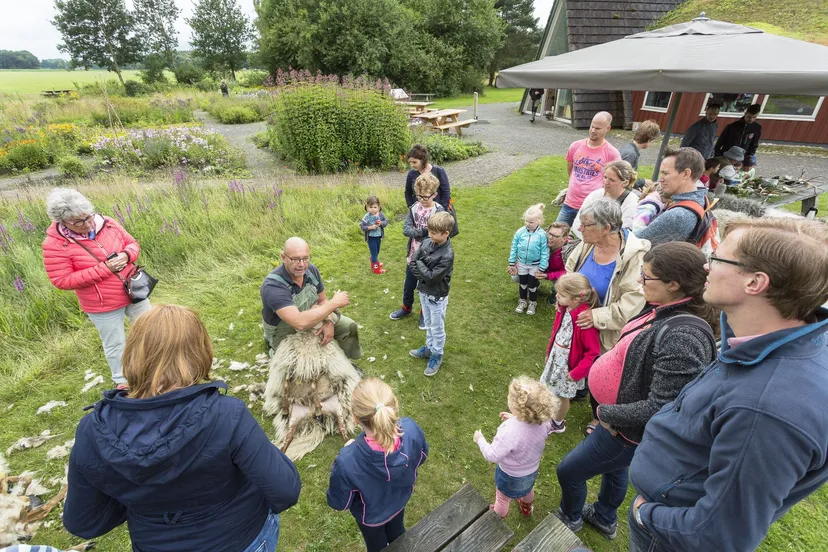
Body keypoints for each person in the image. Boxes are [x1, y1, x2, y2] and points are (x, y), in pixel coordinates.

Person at [628, 220, 828, 552]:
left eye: (718, 257)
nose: (706, 263)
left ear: (755, 282)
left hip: (667, 534)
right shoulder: (768, 340)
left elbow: (719, 536)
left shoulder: (766, 409)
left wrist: (646, 516)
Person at [63, 305, 301, 552]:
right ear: (200, 352)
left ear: (132, 352)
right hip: (238, 538)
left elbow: (83, 522)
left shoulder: (91, 429)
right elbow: (285, 489)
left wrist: (140, 504)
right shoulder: (226, 415)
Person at [555, 242, 718, 540]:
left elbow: (664, 405)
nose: (640, 283)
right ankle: (604, 517)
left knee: (569, 471)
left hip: (624, 430)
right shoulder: (665, 308)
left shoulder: (685, 337)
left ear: (674, 284)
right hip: (621, 425)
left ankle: (570, 517)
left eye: (646, 277)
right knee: (615, 470)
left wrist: (606, 413)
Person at [42, 188, 151, 389]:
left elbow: (133, 243)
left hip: (135, 290)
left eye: (88, 217)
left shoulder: (108, 223)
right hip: (102, 304)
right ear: (62, 221)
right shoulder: (54, 244)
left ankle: (156, 368)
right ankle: (123, 382)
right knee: (115, 344)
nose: (88, 223)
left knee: (151, 330)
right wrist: (105, 269)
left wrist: (127, 255)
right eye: (79, 222)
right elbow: (61, 280)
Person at [566, 199, 649, 434]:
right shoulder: (587, 243)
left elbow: (632, 303)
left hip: (608, 330)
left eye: (585, 225)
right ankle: (578, 389)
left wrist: (596, 316)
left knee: (603, 371)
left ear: (606, 228)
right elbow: (571, 270)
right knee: (577, 357)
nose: (579, 229)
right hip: (580, 320)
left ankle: (599, 414)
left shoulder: (634, 255)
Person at [327, 378, 428, 552]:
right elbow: (422, 456)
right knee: (398, 533)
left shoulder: (347, 461)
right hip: (399, 501)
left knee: (376, 547)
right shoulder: (411, 430)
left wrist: (347, 453)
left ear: (355, 418)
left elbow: (339, 503)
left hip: (371, 519)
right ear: (394, 405)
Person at [473, 376, 559, 519]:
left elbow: (492, 455)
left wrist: (480, 440)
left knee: (502, 499)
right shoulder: (544, 422)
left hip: (509, 476)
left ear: (518, 407)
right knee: (527, 490)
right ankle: (526, 507)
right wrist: (515, 418)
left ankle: (496, 518)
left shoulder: (509, 430)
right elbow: (526, 429)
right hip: (531, 471)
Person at [261, 237, 360, 359]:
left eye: (305, 258)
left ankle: (346, 360)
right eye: (295, 259)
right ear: (283, 257)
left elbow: (322, 300)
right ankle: (274, 350)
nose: (302, 265)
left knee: (348, 326)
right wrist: (334, 303)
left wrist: (329, 321)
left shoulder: (311, 270)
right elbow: (299, 323)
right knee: (298, 366)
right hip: (286, 330)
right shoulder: (273, 286)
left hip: (314, 315)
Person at [390, 173, 455, 326]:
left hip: (430, 260)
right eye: (419, 196)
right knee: (409, 285)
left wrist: (424, 234)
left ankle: (424, 314)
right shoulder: (414, 208)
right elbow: (406, 229)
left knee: (425, 287)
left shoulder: (439, 212)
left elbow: (440, 234)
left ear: (434, 194)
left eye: (425, 197)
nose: (422, 200)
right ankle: (406, 308)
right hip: (413, 254)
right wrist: (424, 232)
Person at [540, 273, 601, 433]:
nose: (557, 296)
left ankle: (557, 423)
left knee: (562, 396)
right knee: (550, 389)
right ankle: (547, 414)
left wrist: (576, 373)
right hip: (556, 358)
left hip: (569, 368)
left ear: (576, 299)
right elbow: (557, 330)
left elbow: (592, 352)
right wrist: (549, 351)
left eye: (562, 294)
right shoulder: (563, 308)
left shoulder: (583, 319)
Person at [408, 211, 455, 376]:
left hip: (436, 296)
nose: (429, 235)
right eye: (429, 231)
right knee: (428, 323)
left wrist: (420, 265)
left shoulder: (447, 255)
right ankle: (429, 348)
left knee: (437, 327)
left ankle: (437, 354)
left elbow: (432, 278)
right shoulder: (428, 241)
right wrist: (422, 268)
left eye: (434, 233)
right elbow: (413, 261)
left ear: (446, 234)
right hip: (423, 291)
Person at [557, 112, 621, 226]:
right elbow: (571, 170)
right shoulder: (575, 146)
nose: (593, 130)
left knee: (583, 239)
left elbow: (614, 180)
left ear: (608, 128)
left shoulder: (612, 154)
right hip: (569, 203)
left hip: (591, 207)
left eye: (598, 128)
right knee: (556, 236)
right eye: (592, 126)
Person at [636, 147, 708, 246]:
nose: (660, 179)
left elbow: (636, 243)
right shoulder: (701, 200)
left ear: (686, 174)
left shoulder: (678, 215)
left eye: (665, 173)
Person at [572, 160, 639, 238]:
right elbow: (578, 221)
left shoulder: (632, 202)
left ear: (625, 183)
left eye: (612, 180)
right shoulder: (595, 195)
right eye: (605, 177)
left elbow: (623, 233)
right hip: (585, 240)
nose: (606, 182)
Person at [508, 204, 549, 315]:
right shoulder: (520, 232)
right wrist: (512, 262)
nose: (528, 224)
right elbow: (514, 246)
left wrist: (542, 267)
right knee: (523, 283)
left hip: (535, 265)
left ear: (539, 221)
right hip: (522, 263)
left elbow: (545, 251)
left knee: (532, 285)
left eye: (531, 222)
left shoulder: (542, 235)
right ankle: (522, 301)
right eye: (526, 221)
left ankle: (532, 302)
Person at [404, 144, 451, 210]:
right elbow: (408, 193)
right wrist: (412, 208)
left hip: (437, 212)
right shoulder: (411, 174)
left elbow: (446, 193)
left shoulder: (439, 171)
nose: (412, 165)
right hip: (419, 212)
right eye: (410, 162)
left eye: (414, 162)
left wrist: (442, 210)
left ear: (423, 160)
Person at [535, 222, 570, 304]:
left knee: (564, 282)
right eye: (549, 233)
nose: (550, 237)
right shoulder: (539, 240)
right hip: (539, 269)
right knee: (517, 276)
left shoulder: (569, 251)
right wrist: (516, 267)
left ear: (564, 238)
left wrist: (549, 275)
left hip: (557, 274)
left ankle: (556, 294)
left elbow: (568, 272)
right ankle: (534, 284)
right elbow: (528, 256)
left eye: (556, 236)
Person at [360, 195, 388, 275]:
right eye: (370, 207)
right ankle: (376, 270)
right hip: (371, 238)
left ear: (378, 207)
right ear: (367, 207)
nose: (372, 209)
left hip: (378, 237)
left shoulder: (380, 215)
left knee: (377, 251)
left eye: (375, 207)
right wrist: (370, 227)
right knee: (374, 253)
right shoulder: (367, 217)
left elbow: (386, 222)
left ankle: (373, 262)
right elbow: (362, 226)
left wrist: (381, 223)